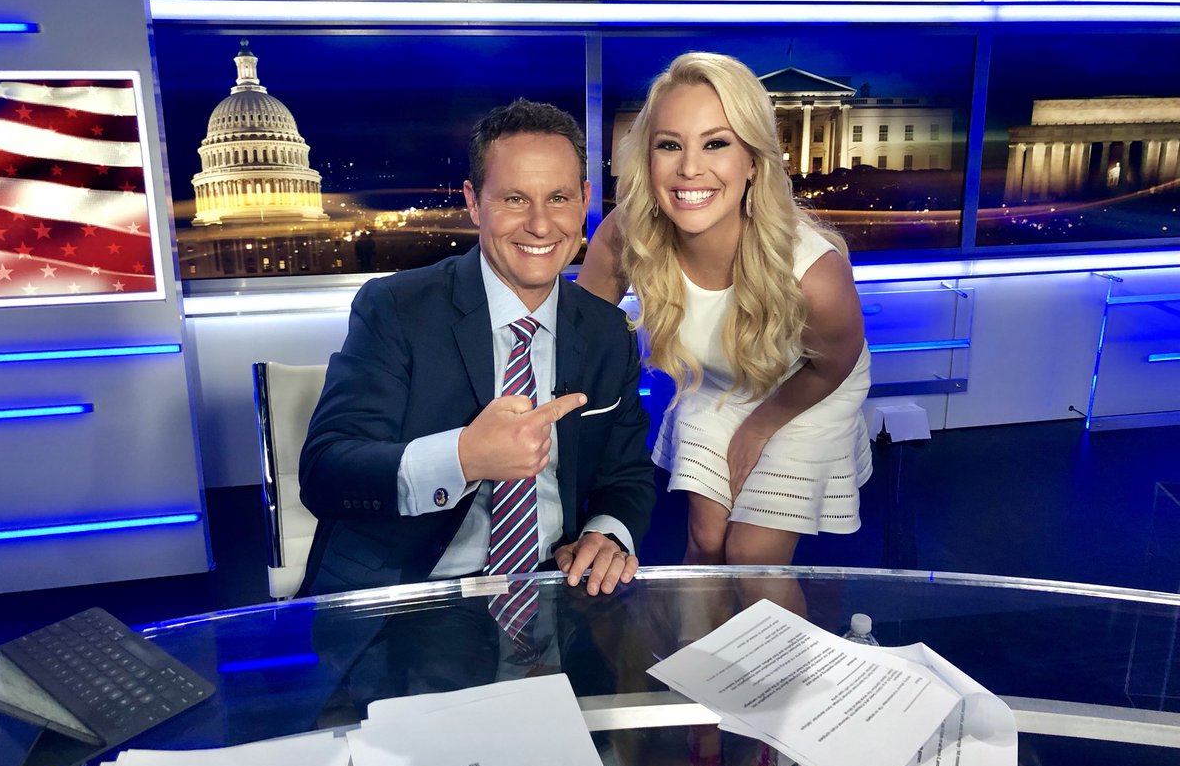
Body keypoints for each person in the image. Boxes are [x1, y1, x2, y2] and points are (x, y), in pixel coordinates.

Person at [297, 98, 656, 601]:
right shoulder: (396, 309)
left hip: (559, 589)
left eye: (558, 198)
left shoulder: (608, 331)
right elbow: (326, 472)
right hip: (414, 596)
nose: (540, 225)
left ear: (584, 200)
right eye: (514, 199)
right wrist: (464, 457)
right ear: (472, 202)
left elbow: (627, 475)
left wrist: (606, 532)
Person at [578, 52, 872, 582]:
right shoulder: (627, 234)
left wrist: (759, 427)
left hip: (805, 384)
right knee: (708, 541)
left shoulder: (815, 274)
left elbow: (835, 364)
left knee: (751, 557)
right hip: (716, 381)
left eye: (716, 143)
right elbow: (583, 335)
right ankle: (702, 638)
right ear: (647, 158)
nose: (690, 168)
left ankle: (785, 641)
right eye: (670, 145)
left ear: (753, 161)